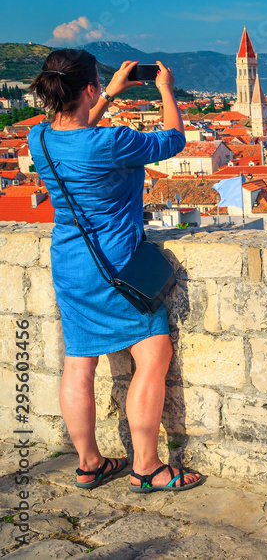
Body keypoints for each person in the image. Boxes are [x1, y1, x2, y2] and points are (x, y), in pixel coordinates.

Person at [27, 50, 204, 494]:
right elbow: (173, 140)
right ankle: (147, 466)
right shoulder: (112, 142)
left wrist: (107, 93)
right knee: (154, 354)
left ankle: (88, 463)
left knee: (79, 362)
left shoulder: (39, 139)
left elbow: (76, 127)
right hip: (114, 266)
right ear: (87, 88)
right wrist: (165, 89)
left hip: (69, 265)